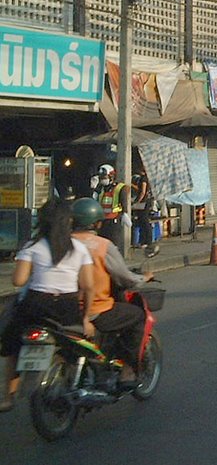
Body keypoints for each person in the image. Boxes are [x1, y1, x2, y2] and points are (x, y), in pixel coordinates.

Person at [1, 199, 95, 412]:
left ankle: (7, 396)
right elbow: (89, 286)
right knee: (78, 344)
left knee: (12, 343)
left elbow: (18, 280)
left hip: (36, 305)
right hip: (67, 307)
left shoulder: (32, 247)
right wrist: (86, 318)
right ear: (67, 222)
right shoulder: (79, 249)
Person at [71, 197, 153, 385]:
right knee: (137, 315)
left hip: (64, 308)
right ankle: (128, 371)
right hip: (95, 309)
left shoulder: (61, 242)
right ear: (98, 223)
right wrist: (143, 278)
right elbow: (124, 277)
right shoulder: (102, 246)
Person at [95, 164, 128, 245]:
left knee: (113, 244)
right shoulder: (101, 188)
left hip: (114, 219)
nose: (102, 179)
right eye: (101, 177)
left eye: (104, 177)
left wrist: (125, 213)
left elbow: (123, 201)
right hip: (102, 219)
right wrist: (94, 189)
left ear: (111, 176)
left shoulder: (119, 188)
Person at [130, 162, 159, 257]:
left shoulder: (144, 179)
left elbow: (142, 191)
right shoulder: (148, 179)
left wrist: (137, 201)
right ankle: (145, 241)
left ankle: (146, 241)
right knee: (143, 221)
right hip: (147, 201)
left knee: (144, 221)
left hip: (144, 202)